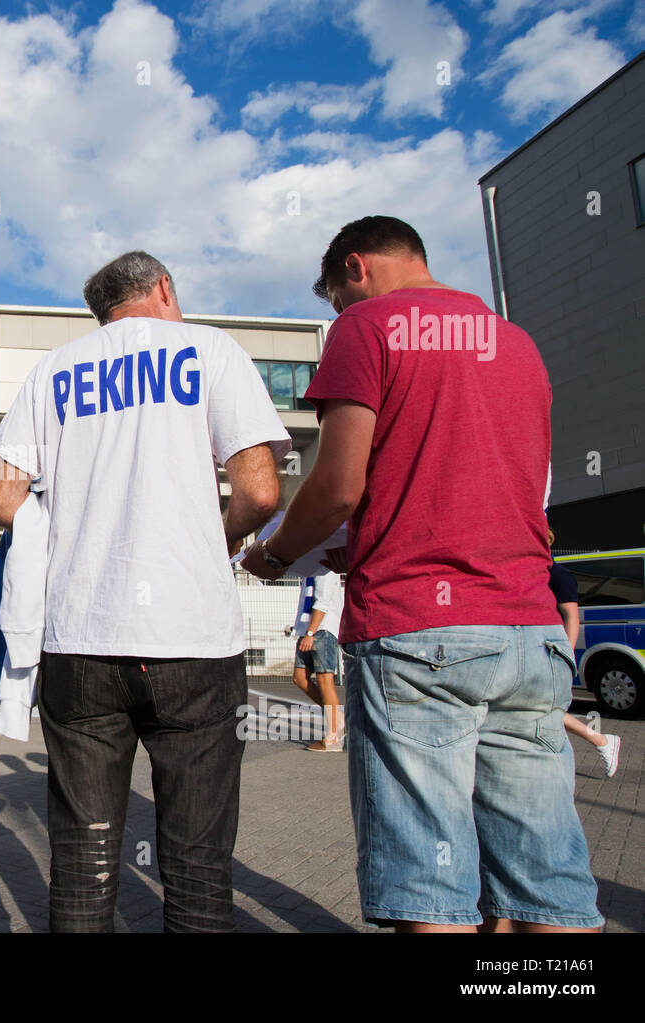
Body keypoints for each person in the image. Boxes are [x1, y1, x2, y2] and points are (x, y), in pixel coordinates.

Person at [241, 215, 602, 932]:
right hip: (529, 630)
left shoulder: (367, 327)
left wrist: (274, 553)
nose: (340, 314)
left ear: (357, 267)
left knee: (429, 884)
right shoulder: (517, 341)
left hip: (421, 631)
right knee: (548, 880)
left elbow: (340, 484)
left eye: (337, 298)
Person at [0, 250, 288, 932]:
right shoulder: (210, 350)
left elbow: (0, 500)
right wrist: (220, 536)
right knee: (198, 868)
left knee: (83, 865)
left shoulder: (52, 371)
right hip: (194, 639)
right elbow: (262, 490)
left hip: (81, 638)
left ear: (103, 313)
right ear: (165, 289)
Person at [549, 530, 621, 777]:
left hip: (550, 652)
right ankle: (600, 741)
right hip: (539, 651)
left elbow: (571, 616)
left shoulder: (557, 575)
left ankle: (600, 740)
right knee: (545, 710)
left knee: (545, 710)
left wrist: (566, 655)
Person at [290, 571, 344, 752]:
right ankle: (338, 717)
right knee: (299, 677)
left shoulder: (325, 568)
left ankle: (333, 737)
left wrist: (311, 633)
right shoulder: (309, 569)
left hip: (323, 630)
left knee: (324, 680)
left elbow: (323, 601)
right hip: (308, 630)